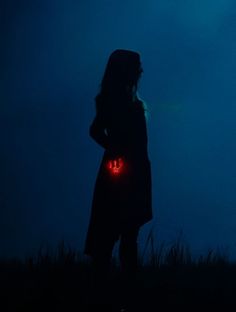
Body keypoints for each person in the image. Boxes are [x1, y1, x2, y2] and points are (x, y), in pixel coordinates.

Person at [84, 49, 152, 284]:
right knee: (116, 230)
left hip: (131, 170)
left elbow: (95, 131)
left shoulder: (121, 101)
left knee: (122, 230)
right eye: (136, 66)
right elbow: (96, 131)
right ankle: (118, 288)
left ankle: (118, 287)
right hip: (123, 172)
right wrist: (115, 150)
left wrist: (113, 149)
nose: (140, 71)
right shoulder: (116, 103)